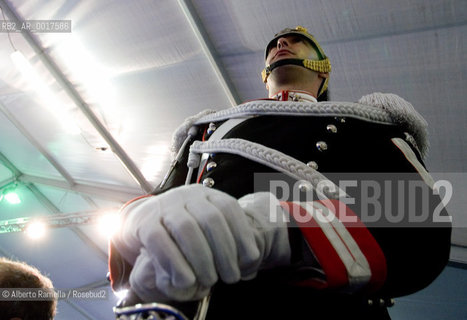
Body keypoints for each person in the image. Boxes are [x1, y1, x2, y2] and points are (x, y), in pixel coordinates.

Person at [109, 26, 451, 319]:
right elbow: (160, 199)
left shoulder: (362, 123)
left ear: (323, 70)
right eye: (274, 44)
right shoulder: (206, 132)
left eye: (295, 41)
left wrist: (285, 230)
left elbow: (417, 224)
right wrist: (137, 225)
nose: (279, 44)